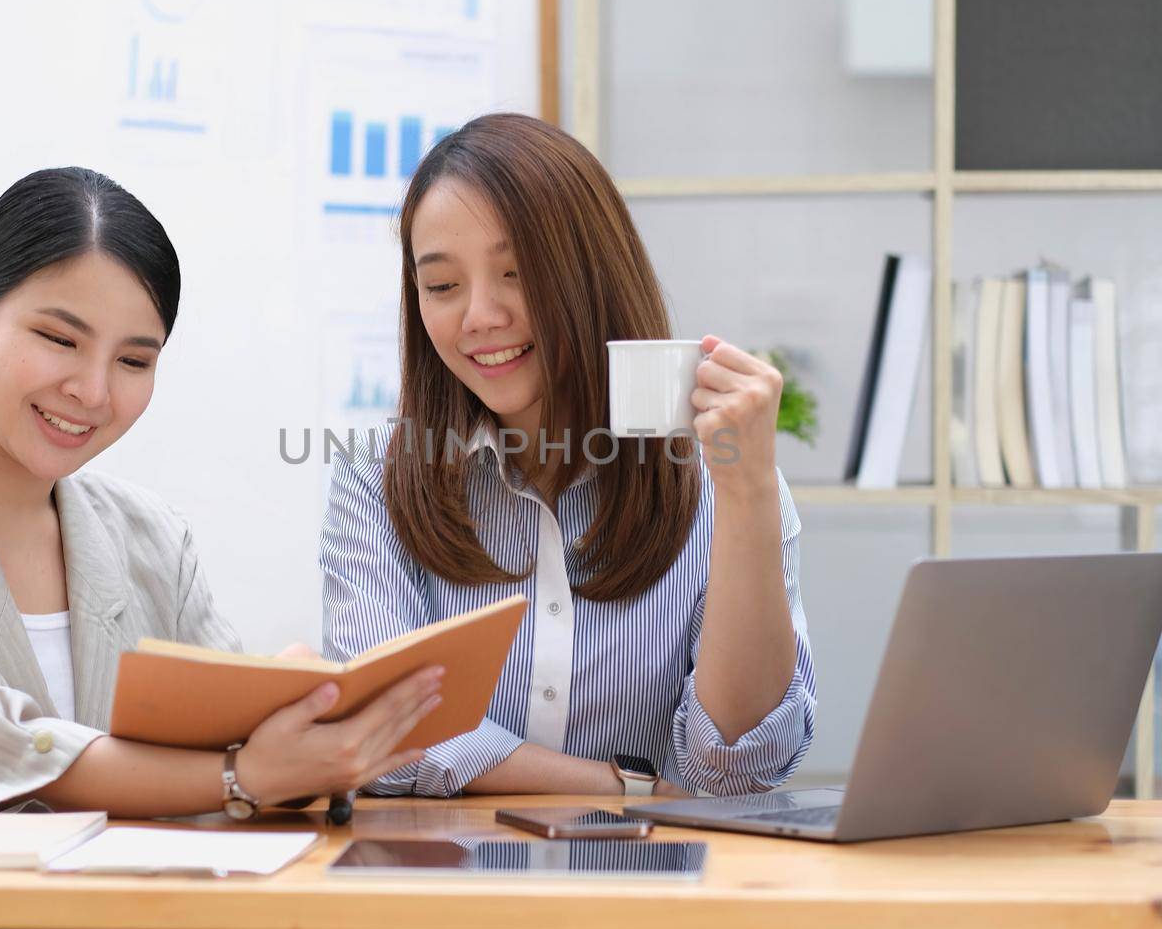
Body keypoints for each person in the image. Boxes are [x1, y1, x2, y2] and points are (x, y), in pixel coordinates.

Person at [0, 166, 440, 815]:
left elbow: (240, 735)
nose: (92, 390)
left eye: (134, 360)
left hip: (137, 926)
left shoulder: (151, 539)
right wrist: (241, 776)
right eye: (60, 338)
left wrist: (296, 709)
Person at [321, 113, 817, 799]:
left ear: (593, 274)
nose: (479, 316)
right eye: (441, 286)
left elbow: (734, 767)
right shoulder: (374, 473)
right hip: (442, 890)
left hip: (652, 889)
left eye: (516, 272)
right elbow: (380, 732)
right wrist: (623, 786)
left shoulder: (719, 479)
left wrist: (750, 494)